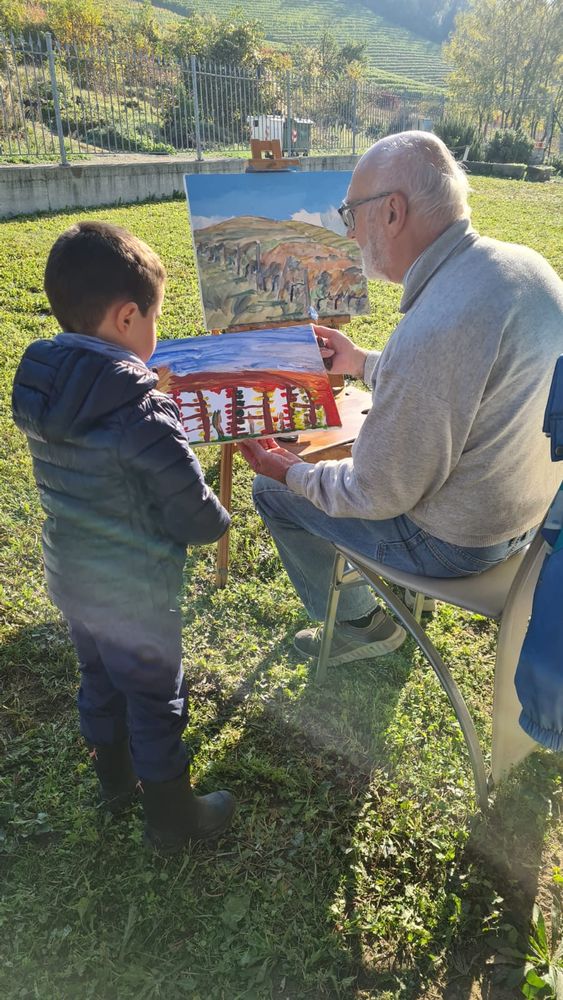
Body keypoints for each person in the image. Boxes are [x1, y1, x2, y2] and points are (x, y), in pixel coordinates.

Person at [238, 130, 563, 668]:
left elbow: (373, 494)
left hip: (462, 544)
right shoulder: (525, 265)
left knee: (272, 494)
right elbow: (463, 382)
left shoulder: (435, 327)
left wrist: (287, 470)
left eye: (351, 213)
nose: (349, 231)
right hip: (535, 520)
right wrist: (362, 362)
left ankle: (360, 627)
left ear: (392, 212)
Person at [12, 221, 235, 854]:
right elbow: (191, 510)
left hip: (73, 577)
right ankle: (171, 816)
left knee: (98, 676)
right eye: (155, 318)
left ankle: (113, 781)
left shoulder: (44, 382)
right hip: (136, 590)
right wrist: (220, 521)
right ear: (129, 316)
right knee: (155, 693)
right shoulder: (142, 413)